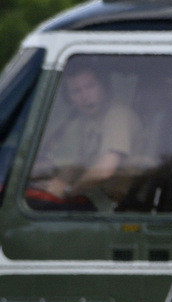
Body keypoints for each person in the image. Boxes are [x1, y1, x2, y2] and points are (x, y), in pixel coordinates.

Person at [27, 61, 140, 208]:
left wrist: (67, 191)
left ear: (104, 87)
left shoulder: (118, 116)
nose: (85, 96)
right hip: (94, 198)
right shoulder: (89, 120)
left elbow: (105, 169)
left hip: (112, 206)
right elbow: (78, 166)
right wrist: (55, 183)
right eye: (76, 91)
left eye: (90, 87)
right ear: (69, 98)